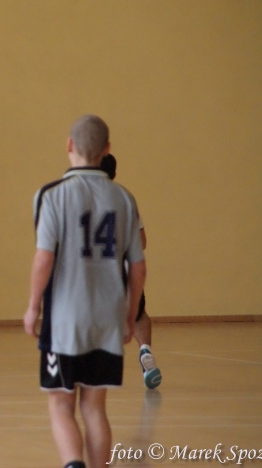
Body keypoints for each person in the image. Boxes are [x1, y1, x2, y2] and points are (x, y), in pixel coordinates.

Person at [24, 115, 146, 468]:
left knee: (61, 403)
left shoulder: (50, 195)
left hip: (65, 319)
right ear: (107, 149)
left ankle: (73, 463)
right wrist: (129, 316)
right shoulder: (124, 198)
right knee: (95, 407)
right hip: (107, 318)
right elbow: (138, 267)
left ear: (69, 145)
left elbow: (44, 257)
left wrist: (33, 306)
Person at [100, 154, 161, 389]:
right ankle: (145, 349)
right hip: (124, 267)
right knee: (139, 315)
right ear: (114, 172)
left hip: (96, 269)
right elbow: (142, 241)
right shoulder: (126, 197)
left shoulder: (83, 195)